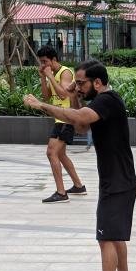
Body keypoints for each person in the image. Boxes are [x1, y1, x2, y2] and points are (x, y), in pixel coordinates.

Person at [25, 59, 136, 271]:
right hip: (117, 178)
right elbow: (82, 126)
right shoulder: (102, 102)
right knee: (114, 233)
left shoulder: (107, 100)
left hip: (118, 180)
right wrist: (75, 96)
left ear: (97, 82)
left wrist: (42, 105)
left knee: (106, 237)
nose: (77, 86)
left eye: (81, 83)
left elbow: (78, 117)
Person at [34, 45, 87, 203]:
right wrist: (43, 77)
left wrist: (50, 76)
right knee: (61, 155)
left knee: (51, 153)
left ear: (54, 59)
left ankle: (61, 193)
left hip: (66, 118)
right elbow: (46, 97)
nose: (43, 65)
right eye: (41, 62)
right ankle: (78, 186)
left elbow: (64, 94)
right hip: (60, 118)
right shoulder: (51, 73)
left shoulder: (65, 72)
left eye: (45, 61)